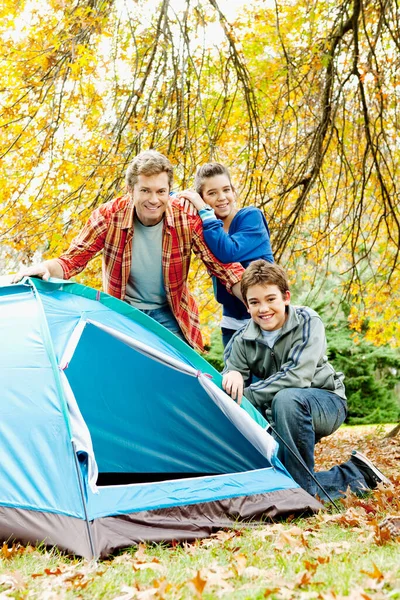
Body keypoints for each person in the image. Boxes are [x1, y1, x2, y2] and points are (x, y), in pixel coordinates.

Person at [13, 151, 245, 352]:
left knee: (177, 379)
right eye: (145, 190)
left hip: (170, 313)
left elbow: (223, 267)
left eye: (161, 191)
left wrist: (257, 297)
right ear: (130, 189)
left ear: (169, 190)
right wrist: (44, 268)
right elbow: (71, 262)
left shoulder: (185, 217)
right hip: (123, 312)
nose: (154, 200)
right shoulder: (109, 216)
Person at [221, 260, 392, 499]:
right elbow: (228, 393)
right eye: (254, 302)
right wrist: (232, 374)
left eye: (271, 299)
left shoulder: (308, 321)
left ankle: (298, 497)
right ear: (247, 306)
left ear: (286, 297)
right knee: (275, 472)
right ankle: (356, 474)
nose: (263, 309)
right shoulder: (241, 340)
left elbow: (297, 377)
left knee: (287, 398)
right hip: (279, 416)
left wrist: (247, 395)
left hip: (325, 402)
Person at [176, 163, 273, 347]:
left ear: (233, 191)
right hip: (232, 323)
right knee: (232, 375)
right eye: (212, 193)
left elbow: (228, 252)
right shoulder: (208, 228)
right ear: (202, 197)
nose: (222, 198)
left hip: (266, 318)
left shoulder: (251, 217)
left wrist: (204, 211)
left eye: (226, 190)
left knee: (268, 376)